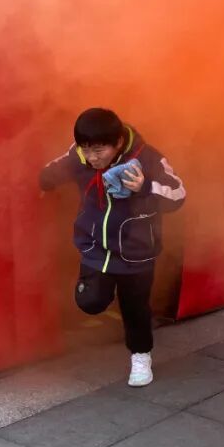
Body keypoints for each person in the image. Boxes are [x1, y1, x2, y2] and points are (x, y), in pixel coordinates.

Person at [40, 108, 186, 386]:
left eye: (98, 150)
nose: (92, 157)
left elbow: (178, 195)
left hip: (137, 251)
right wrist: (43, 182)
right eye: (86, 149)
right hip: (96, 247)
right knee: (90, 301)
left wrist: (145, 187)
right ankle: (106, 296)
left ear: (118, 142)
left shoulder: (148, 158)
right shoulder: (79, 155)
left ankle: (141, 358)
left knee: (136, 308)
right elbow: (58, 168)